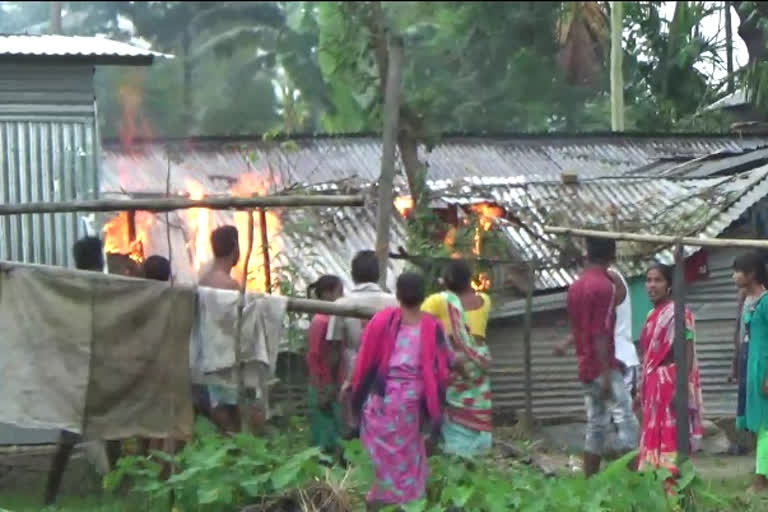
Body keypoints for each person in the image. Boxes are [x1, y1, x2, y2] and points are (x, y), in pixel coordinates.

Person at [351, 272, 452, 509]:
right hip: (411, 402)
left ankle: (376, 498)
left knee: (376, 454)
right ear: (423, 296)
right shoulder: (432, 326)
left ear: (397, 294)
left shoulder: (380, 320)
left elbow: (364, 360)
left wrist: (352, 389)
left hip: (380, 399)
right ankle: (406, 500)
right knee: (407, 453)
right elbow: (444, 363)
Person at [566, 237, 638, 477]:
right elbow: (600, 331)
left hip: (584, 364)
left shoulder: (576, 286)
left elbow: (579, 327)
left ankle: (590, 480)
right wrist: (606, 373)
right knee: (626, 418)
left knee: (596, 422)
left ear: (587, 255)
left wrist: (566, 345)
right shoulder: (604, 286)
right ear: (612, 257)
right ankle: (632, 478)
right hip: (602, 365)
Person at [46, 237, 106, 505]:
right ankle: (112, 487)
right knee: (111, 430)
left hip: (74, 370)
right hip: (100, 369)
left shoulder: (68, 285)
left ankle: (50, 496)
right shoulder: (108, 287)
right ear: (99, 258)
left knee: (67, 439)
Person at [555, 265, 640, 454]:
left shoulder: (610, 278)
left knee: (622, 420)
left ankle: (630, 473)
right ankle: (621, 473)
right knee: (605, 421)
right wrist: (569, 341)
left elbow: (599, 327)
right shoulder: (596, 284)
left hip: (618, 359)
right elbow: (592, 325)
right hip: (602, 362)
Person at [636, 264, 704, 481]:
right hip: (653, 384)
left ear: (669, 286)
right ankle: (654, 485)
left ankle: (675, 486)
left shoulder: (679, 313)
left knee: (672, 438)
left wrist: (681, 387)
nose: (651, 285)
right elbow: (647, 354)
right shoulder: (650, 315)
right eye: (648, 280)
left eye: (658, 280)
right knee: (652, 436)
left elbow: (687, 350)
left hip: (670, 384)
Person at [422, 259, 493, 458]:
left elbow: (419, 322)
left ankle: (450, 455)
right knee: (477, 409)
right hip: (479, 367)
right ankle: (476, 453)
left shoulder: (439, 300)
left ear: (447, 280)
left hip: (455, 366)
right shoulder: (485, 301)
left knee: (450, 415)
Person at [327, 250, 398, 438]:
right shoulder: (394, 303)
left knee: (354, 424)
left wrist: (334, 382)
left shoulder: (341, 303)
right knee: (383, 424)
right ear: (378, 274)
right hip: (388, 372)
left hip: (352, 372)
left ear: (352, 274)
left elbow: (334, 347)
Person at [198, 225, 248, 433]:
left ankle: (229, 445)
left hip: (207, 352)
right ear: (235, 247)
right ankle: (234, 444)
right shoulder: (229, 285)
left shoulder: (204, 280)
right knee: (232, 408)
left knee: (219, 403)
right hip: (226, 353)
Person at [732, 252, 768, 492]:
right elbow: (741, 334)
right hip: (750, 362)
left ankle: (761, 480)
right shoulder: (746, 299)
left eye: (738, 270)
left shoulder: (766, 302)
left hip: (763, 364)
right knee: (756, 422)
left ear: (752, 274)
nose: (734, 276)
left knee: (765, 423)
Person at [305, 275, 345, 455]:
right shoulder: (321, 321)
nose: (342, 296)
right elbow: (314, 355)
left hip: (331, 380)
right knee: (324, 429)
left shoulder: (331, 319)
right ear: (328, 293)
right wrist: (320, 386)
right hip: (323, 381)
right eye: (339, 291)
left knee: (334, 425)